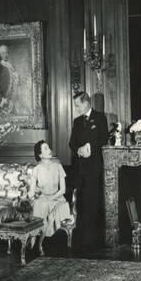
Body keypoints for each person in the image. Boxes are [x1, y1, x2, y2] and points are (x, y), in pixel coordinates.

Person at [69, 91, 109, 250]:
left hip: (94, 168)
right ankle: (82, 240)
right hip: (80, 169)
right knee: (82, 203)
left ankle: (94, 240)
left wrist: (90, 147)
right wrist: (78, 149)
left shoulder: (100, 118)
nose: (76, 108)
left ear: (86, 103)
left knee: (93, 202)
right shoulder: (77, 121)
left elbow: (104, 138)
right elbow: (71, 143)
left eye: (78, 105)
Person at [28, 140, 71, 254]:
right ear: (40, 154)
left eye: (49, 148)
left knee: (51, 207)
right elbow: (32, 191)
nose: (50, 150)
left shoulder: (58, 166)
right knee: (39, 204)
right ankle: (34, 242)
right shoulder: (36, 170)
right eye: (46, 148)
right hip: (43, 198)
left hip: (57, 198)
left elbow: (63, 190)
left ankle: (45, 243)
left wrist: (52, 197)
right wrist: (29, 197)